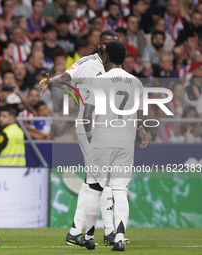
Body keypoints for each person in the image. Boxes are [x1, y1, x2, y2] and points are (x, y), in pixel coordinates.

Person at [39, 30, 123, 247]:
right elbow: (67, 77)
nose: (109, 48)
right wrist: (51, 82)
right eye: (106, 44)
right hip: (89, 128)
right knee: (101, 181)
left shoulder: (117, 69)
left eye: (113, 44)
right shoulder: (88, 63)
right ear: (98, 44)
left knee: (96, 181)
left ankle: (95, 232)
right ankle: (92, 231)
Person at [82, 41, 148, 251]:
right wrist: (141, 131)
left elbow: (86, 115)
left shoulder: (99, 80)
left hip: (102, 140)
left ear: (106, 58)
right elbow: (140, 111)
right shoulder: (136, 82)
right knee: (120, 190)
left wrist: (90, 135)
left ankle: (89, 236)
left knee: (94, 188)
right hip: (125, 142)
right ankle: (119, 238)